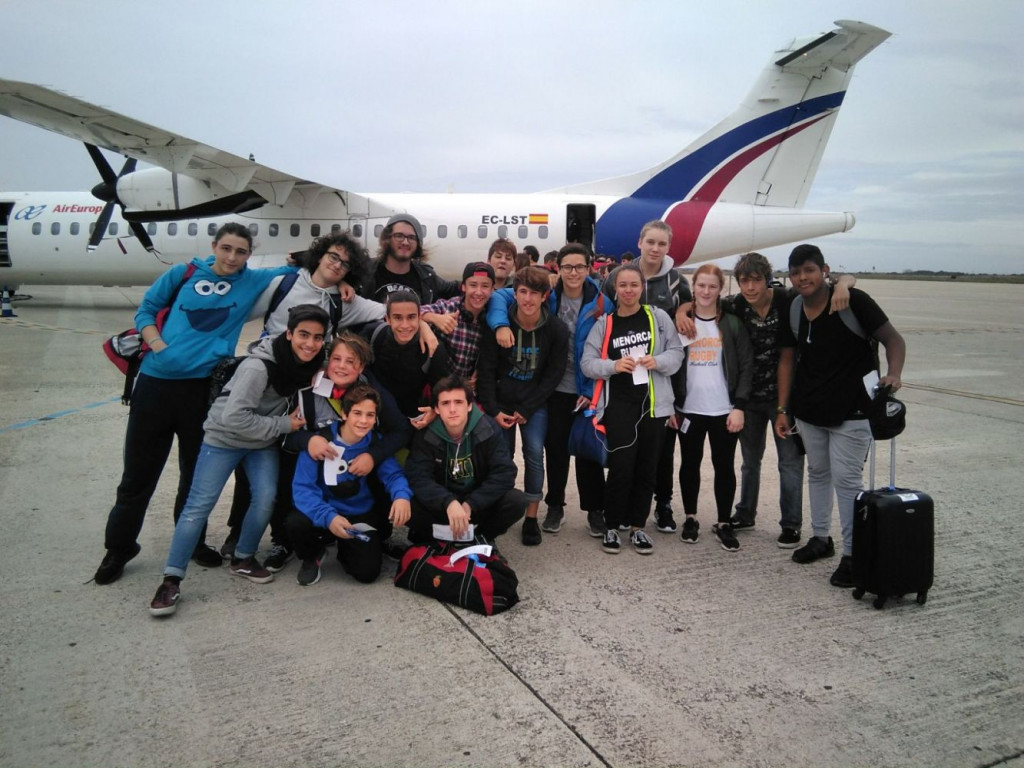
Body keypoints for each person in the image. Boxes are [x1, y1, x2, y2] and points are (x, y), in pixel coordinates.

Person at [94, 223, 296, 586]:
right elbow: (147, 310)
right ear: (214, 246)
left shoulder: (252, 280)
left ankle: (193, 543)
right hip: (155, 387)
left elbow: (298, 271)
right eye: (227, 249)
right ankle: (119, 547)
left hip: (202, 390)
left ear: (249, 255)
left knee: (194, 475)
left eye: (241, 252)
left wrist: (336, 279)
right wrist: (158, 345)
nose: (232, 257)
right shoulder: (183, 272)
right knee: (138, 476)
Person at [148, 305, 329, 616]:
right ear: (288, 334)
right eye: (303, 335)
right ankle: (171, 579)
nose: (310, 343)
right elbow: (234, 418)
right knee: (198, 506)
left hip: (261, 444)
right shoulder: (258, 368)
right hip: (224, 440)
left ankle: (243, 558)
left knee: (265, 499)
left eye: (317, 338)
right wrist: (284, 425)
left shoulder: (307, 365)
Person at [776, 244, 906, 588]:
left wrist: (893, 374)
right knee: (818, 474)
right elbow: (787, 360)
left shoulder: (853, 301)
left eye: (809, 270)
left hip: (853, 410)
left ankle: (852, 553)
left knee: (847, 482)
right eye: (795, 272)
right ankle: (821, 538)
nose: (802, 277)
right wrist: (784, 408)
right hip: (810, 410)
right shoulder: (794, 309)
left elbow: (893, 339)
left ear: (824, 270)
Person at [723, 252, 854, 548]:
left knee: (790, 463)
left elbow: (835, 281)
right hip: (748, 397)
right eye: (744, 281)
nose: (751, 287)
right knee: (749, 461)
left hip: (786, 398)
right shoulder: (735, 304)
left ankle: (791, 524)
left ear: (767, 280)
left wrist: (845, 284)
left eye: (757, 280)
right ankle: (745, 513)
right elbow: (700, 303)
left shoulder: (787, 298)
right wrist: (684, 311)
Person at [487, 243, 609, 537]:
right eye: (567, 267)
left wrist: (597, 387)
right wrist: (501, 325)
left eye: (580, 266)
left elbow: (609, 336)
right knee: (554, 450)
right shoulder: (549, 293)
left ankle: (594, 510)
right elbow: (500, 297)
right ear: (559, 269)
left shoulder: (601, 301)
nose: (574, 272)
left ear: (589, 268)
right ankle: (555, 505)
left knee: (588, 451)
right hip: (553, 388)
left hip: (585, 388)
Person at [580, 263, 684, 555]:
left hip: (654, 406)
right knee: (622, 467)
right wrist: (613, 366)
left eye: (634, 285)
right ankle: (612, 525)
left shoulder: (658, 317)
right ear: (615, 288)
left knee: (647, 468)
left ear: (642, 288)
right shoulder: (606, 323)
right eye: (622, 285)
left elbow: (676, 354)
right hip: (620, 406)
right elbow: (587, 364)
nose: (628, 291)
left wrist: (657, 361)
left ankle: (638, 527)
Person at [603, 220, 692, 535]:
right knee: (626, 454)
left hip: (662, 376)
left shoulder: (676, 280)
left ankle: (663, 505)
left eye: (662, 244)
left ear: (668, 247)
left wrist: (683, 311)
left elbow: (688, 312)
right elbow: (603, 309)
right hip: (626, 381)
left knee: (661, 451)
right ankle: (622, 510)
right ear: (639, 242)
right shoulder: (618, 275)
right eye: (650, 242)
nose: (655, 249)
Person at [476, 265, 569, 546]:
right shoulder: (500, 325)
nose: (528, 299)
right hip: (501, 402)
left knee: (533, 453)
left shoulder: (556, 329)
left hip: (534, 403)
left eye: (534, 293)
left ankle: (531, 516)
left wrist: (527, 409)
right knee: (500, 457)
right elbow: (487, 370)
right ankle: (499, 510)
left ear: (545, 296)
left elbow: (553, 375)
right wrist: (493, 410)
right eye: (522, 292)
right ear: (514, 294)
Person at [286, 385, 412, 586]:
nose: (363, 421)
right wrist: (329, 517)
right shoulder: (320, 441)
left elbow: (393, 475)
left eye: (370, 415)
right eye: (357, 413)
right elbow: (303, 489)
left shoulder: (375, 443)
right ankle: (312, 555)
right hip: (325, 513)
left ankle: (347, 549)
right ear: (344, 413)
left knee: (367, 573)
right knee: (295, 523)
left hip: (358, 515)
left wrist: (402, 496)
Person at [670, 264, 753, 552]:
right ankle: (690, 517)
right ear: (693, 288)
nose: (706, 291)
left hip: (723, 409)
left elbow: (745, 367)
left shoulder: (731, 324)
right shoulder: (680, 321)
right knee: (689, 464)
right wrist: (672, 405)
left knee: (724, 465)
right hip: (689, 407)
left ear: (721, 289)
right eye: (701, 286)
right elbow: (669, 365)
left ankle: (723, 521)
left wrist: (739, 406)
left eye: (712, 286)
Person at [404, 376, 527, 546]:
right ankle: (438, 539)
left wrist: (471, 504)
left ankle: (480, 538)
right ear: (437, 409)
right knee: (403, 504)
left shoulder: (487, 428)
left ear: (469, 405)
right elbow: (418, 477)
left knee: (516, 501)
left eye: (458, 402)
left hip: (476, 503)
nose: (452, 409)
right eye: (445, 403)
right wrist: (448, 502)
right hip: (443, 505)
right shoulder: (426, 434)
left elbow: (505, 473)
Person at [255, 232, 383, 339]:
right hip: (271, 362)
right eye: (333, 257)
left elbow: (387, 310)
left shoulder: (343, 302)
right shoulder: (282, 284)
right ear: (320, 257)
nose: (337, 265)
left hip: (311, 366)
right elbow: (243, 313)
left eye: (345, 265)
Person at [366, 290, 451, 430]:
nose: (405, 325)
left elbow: (442, 388)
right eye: (398, 318)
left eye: (411, 317)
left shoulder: (433, 348)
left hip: (410, 418)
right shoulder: (374, 335)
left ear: (419, 318)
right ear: (388, 319)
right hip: (370, 411)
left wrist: (434, 410)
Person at [419, 262, 496, 388]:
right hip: (441, 384)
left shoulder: (492, 316)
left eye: (485, 286)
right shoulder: (449, 307)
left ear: (493, 289)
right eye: (473, 285)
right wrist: (434, 318)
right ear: (463, 287)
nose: (478, 292)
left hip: (469, 389)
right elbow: (413, 312)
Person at [359, 213, 459, 304]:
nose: (405, 242)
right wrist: (343, 283)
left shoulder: (426, 277)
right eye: (399, 236)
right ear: (387, 238)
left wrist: (473, 272)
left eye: (411, 237)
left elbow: (456, 288)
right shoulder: (364, 271)